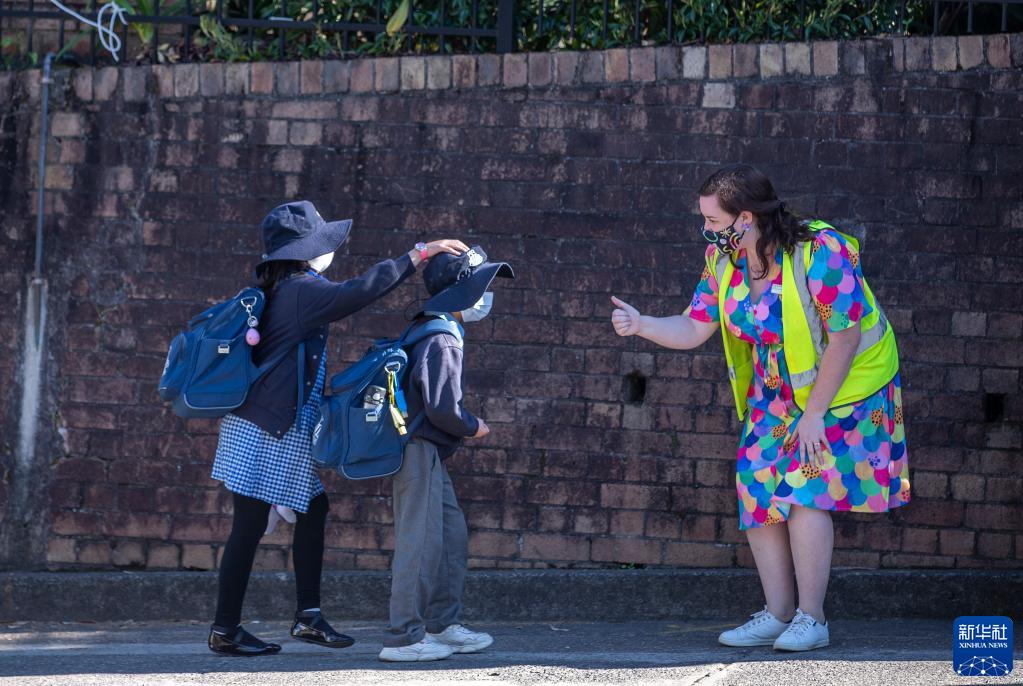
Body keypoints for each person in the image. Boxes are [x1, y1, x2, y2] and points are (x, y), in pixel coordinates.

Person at [610, 164, 910, 652]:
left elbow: (846, 335)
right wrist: (642, 324)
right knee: (757, 487)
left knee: (806, 491)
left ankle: (812, 620)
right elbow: (695, 326)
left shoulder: (820, 251)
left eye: (713, 220)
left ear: (745, 217)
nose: (706, 229)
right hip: (775, 393)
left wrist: (814, 414)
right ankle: (778, 613)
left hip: (846, 387)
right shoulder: (723, 259)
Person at [208, 200, 468, 656]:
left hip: (269, 422)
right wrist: (419, 254)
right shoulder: (300, 290)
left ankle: (307, 617)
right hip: (267, 428)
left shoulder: (284, 288)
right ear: (305, 251)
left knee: (311, 509)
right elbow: (357, 292)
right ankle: (227, 629)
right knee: (249, 525)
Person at [378, 245, 514, 662]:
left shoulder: (434, 327)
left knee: (450, 536)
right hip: (417, 450)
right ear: (463, 290)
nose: (486, 296)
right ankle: (404, 637)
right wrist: (473, 425)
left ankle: (441, 623)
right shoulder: (441, 338)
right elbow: (442, 408)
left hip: (428, 452)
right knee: (420, 543)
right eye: (483, 286)